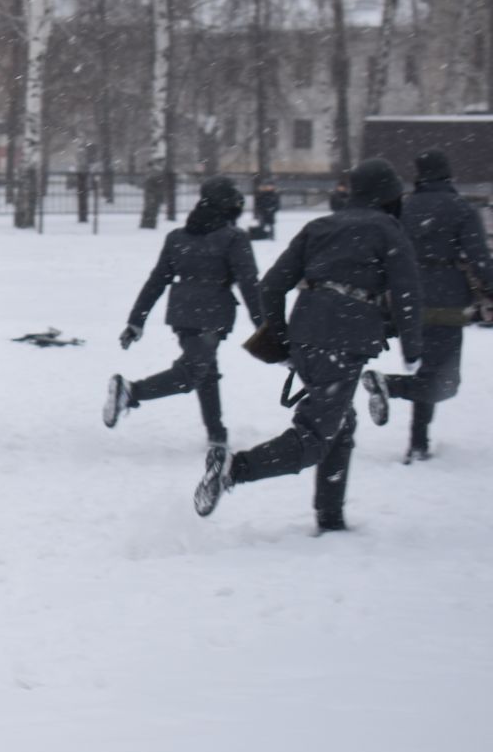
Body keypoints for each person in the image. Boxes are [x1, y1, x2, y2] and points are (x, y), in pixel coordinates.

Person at [194, 158, 422, 531]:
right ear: (390, 196)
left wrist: (282, 338)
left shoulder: (319, 226)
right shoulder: (388, 229)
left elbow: (270, 285)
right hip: (345, 338)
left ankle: (330, 517)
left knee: (340, 422)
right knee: (317, 434)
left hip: (307, 331)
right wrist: (412, 350)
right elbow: (408, 291)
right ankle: (235, 470)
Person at [104, 176, 262, 448]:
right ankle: (130, 392)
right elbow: (249, 283)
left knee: (206, 370)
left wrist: (136, 321)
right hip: (212, 314)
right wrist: (264, 326)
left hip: (182, 313)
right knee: (192, 374)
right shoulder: (234, 238)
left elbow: (156, 281)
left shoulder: (177, 237)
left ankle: (216, 433)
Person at [360, 149, 493, 462]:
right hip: (448, 301)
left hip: (407, 299)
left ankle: (418, 444)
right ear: (448, 174)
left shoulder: (404, 208)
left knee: (428, 372)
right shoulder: (462, 209)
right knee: (444, 381)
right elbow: (480, 258)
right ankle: (389, 387)